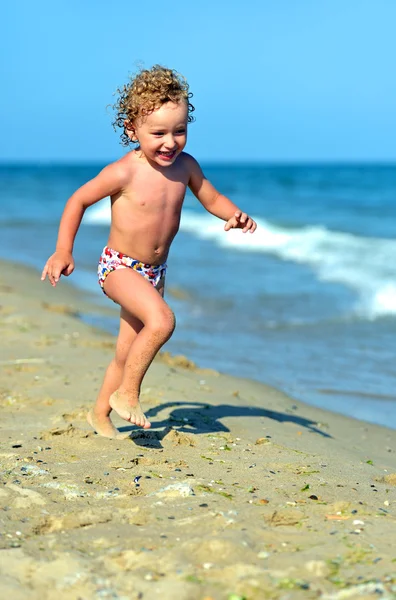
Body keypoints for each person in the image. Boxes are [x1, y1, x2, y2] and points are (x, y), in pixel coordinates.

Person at [41, 65, 257, 439]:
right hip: (119, 267)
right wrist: (63, 251)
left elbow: (212, 197)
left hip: (155, 273)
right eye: (158, 133)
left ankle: (99, 415)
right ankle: (128, 393)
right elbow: (77, 200)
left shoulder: (186, 167)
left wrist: (233, 214)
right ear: (132, 130)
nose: (170, 142)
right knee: (162, 322)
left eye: (179, 131)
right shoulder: (124, 171)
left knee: (127, 354)